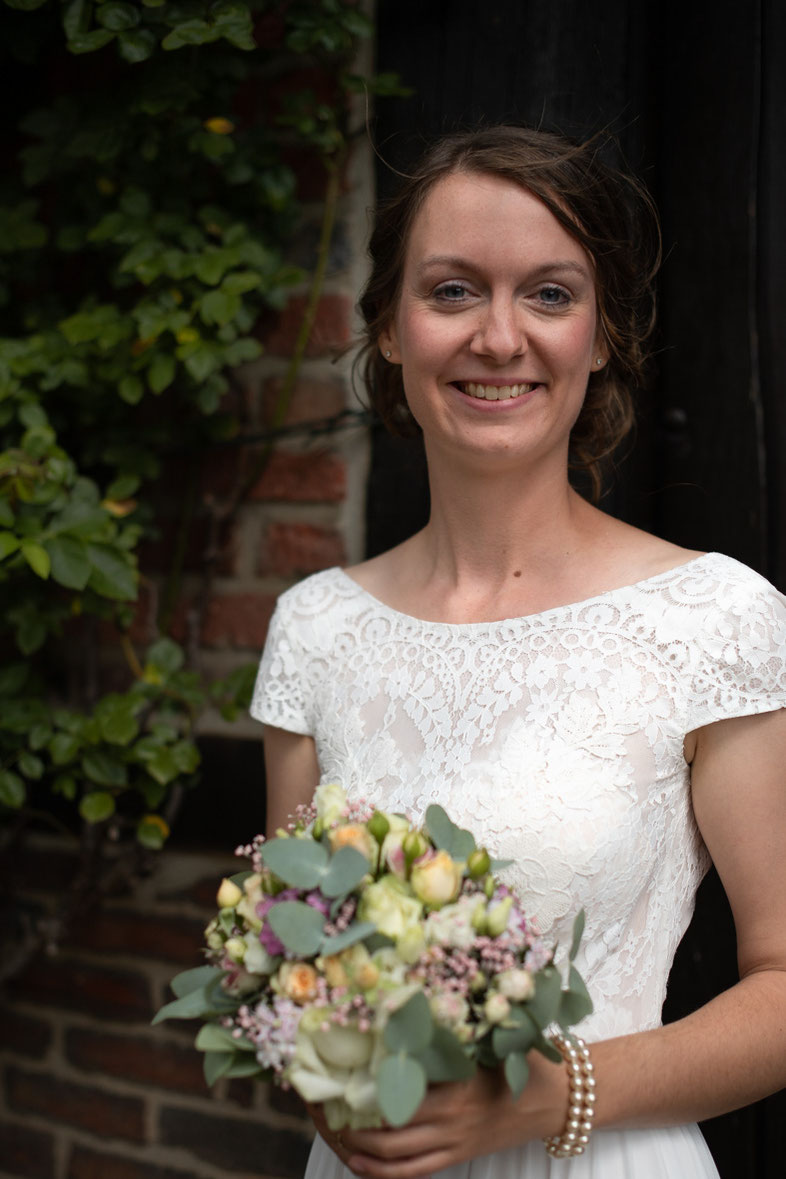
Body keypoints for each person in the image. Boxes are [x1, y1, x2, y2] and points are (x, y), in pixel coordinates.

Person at [251, 126, 786, 1178]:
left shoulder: (714, 617)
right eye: (452, 292)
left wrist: (551, 1097)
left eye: (549, 294)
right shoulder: (314, 628)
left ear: (601, 336)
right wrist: (327, 1075)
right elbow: (286, 969)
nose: (500, 339)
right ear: (391, 329)